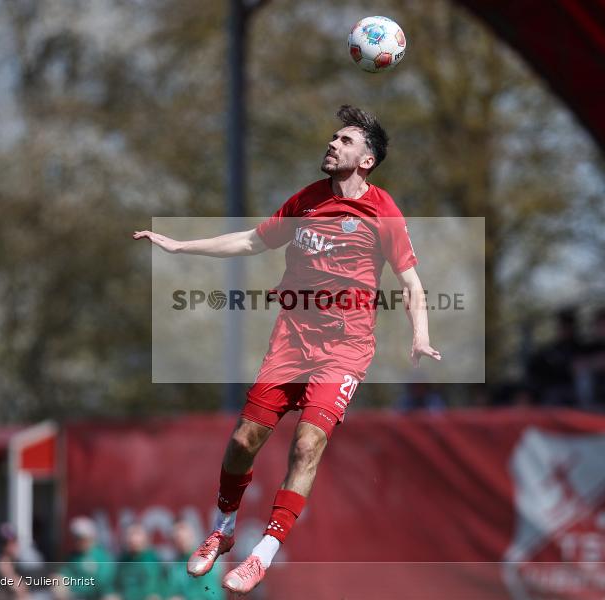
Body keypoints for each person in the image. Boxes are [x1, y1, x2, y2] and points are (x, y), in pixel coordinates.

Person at [133, 105, 440, 594]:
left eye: (345, 140)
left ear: (367, 160)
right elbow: (254, 242)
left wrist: (419, 335)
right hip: (290, 343)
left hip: (345, 350)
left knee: (306, 445)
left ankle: (264, 553)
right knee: (241, 443)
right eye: (333, 138)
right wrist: (180, 247)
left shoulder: (383, 209)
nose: (332, 144)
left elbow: (411, 282)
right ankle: (224, 528)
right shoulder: (305, 201)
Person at [54, 516, 116, 600]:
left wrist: (76, 586)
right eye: (75, 538)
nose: (77, 541)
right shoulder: (74, 556)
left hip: (99, 595)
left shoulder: (102, 556)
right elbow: (66, 573)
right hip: (77, 594)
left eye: (80, 538)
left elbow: (101, 582)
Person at [113, 523, 162, 600]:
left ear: (146, 538)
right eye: (130, 534)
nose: (133, 538)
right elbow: (115, 585)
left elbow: (152, 588)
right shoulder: (123, 559)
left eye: (137, 534)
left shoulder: (152, 559)